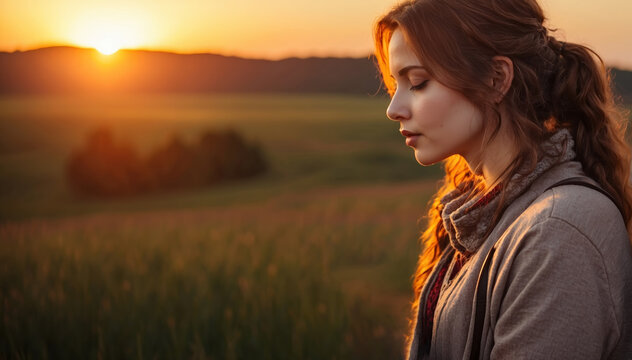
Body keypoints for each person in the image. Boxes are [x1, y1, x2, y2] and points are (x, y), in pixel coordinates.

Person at [372, 0, 632, 359]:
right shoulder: (479, 214)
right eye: (394, 84)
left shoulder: (559, 231)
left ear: (496, 80)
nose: (393, 108)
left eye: (418, 83)